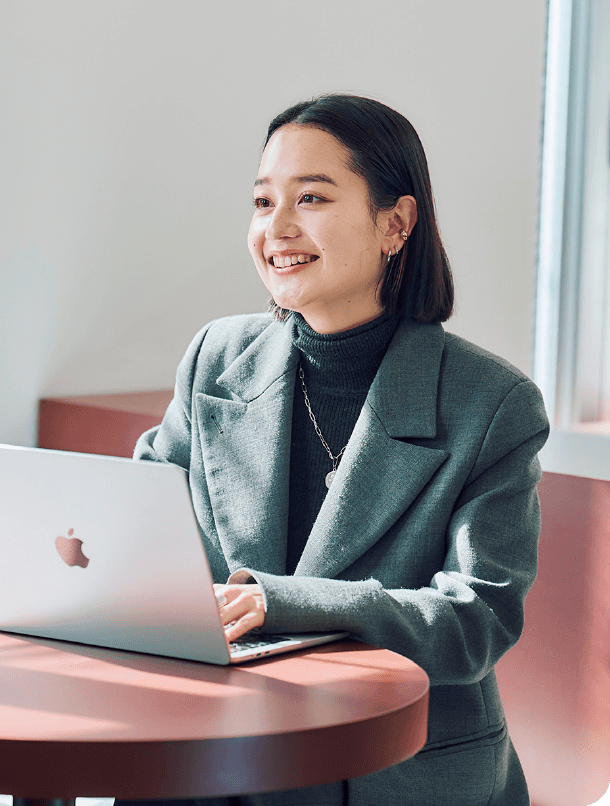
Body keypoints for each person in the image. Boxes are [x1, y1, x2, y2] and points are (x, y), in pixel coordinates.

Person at [130, 94, 547, 806]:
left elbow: (477, 621)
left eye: (311, 198)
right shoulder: (214, 357)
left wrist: (287, 602)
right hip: (214, 746)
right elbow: (138, 528)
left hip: (390, 769)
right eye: (263, 202)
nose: (277, 229)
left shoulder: (492, 403)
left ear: (396, 224)